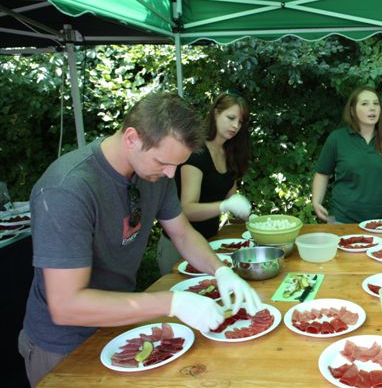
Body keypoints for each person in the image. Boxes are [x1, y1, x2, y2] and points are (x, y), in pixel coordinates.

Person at [18, 92, 261, 387]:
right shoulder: (67, 190)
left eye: (177, 165)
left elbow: (182, 233)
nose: (171, 173)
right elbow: (66, 304)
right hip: (63, 346)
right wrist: (172, 302)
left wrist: (220, 270)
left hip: (118, 327)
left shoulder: (155, 175)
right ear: (132, 138)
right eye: (163, 162)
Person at [156, 91, 252, 274]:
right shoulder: (197, 153)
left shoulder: (230, 154)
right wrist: (224, 206)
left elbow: (232, 200)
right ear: (216, 113)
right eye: (231, 118)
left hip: (210, 243)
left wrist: (248, 216)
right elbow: (187, 209)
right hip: (179, 247)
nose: (235, 126)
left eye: (240, 122)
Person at [312, 86, 382, 223]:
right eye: (365, 103)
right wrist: (316, 202)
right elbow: (322, 173)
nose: (372, 108)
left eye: (376, 104)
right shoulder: (337, 139)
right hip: (340, 219)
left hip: (379, 221)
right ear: (352, 111)